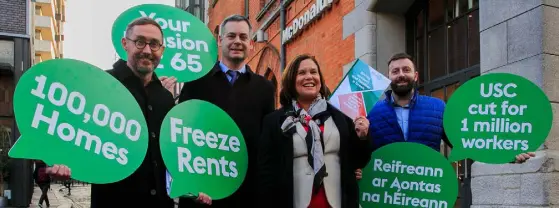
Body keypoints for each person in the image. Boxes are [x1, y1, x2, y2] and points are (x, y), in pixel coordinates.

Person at [45, 17, 211, 207]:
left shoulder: (165, 97)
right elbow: (70, 128)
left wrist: (195, 183)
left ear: (162, 50)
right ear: (125, 44)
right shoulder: (101, 84)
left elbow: (171, 154)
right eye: (140, 42)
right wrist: (57, 161)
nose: (147, 50)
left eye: (154, 44)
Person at [177, 14, 276, 208]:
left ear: (251, 44)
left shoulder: (264, 88)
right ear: (220, 40)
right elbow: (181, 135)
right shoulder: (196, 82)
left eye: (243, 37)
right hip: (204, 193)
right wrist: (191, 186)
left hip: (247, 194)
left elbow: (267, 144)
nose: (237, 41)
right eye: (231, 36)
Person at [366, 52, 535, 163]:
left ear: (415, 76)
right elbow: (361, 152)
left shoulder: (437, 107)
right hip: (386, 194)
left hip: (426, 191)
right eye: (395, 71)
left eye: (406, 70)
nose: (401, 74)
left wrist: (507, 156)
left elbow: (464, 143)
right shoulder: (372, 112)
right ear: (388, 76)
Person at [257, 54, 373, 208]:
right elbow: (266, 172)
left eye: (313, 72)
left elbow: (357, 160)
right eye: (302, 73)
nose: (309, 77)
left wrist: (362, 137)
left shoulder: (341, 114)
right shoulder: (274, 121)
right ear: (291, 80)